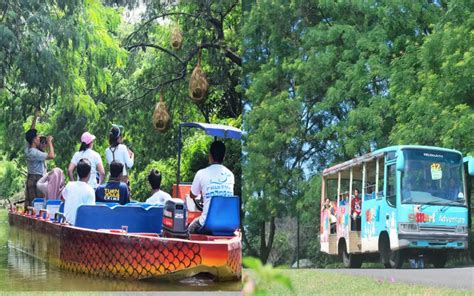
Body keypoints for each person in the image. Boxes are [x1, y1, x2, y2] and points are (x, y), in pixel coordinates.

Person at [188, 141, 235, 234]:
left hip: (207, 224)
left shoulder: (201, 173)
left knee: (189, 229)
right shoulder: (230, 175)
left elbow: (192, 195)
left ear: (210, 155)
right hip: (228, 223)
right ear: (224, 156)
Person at [25, 129, 55, 208]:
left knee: (32, 204)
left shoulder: (27, 150)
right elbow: (52, 155)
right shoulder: (35, 153)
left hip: (30, 178)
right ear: (34, 140)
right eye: (38, 137)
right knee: (39, 205)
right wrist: (49, 142)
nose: (39, 139)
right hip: (38, 180)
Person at [62, 159, 95, 225]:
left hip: (66, 224)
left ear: (77, 173)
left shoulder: (69, 185)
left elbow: (62, 198)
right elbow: (91, 212)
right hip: (78, 226)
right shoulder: (90, 190)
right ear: (89, 173)